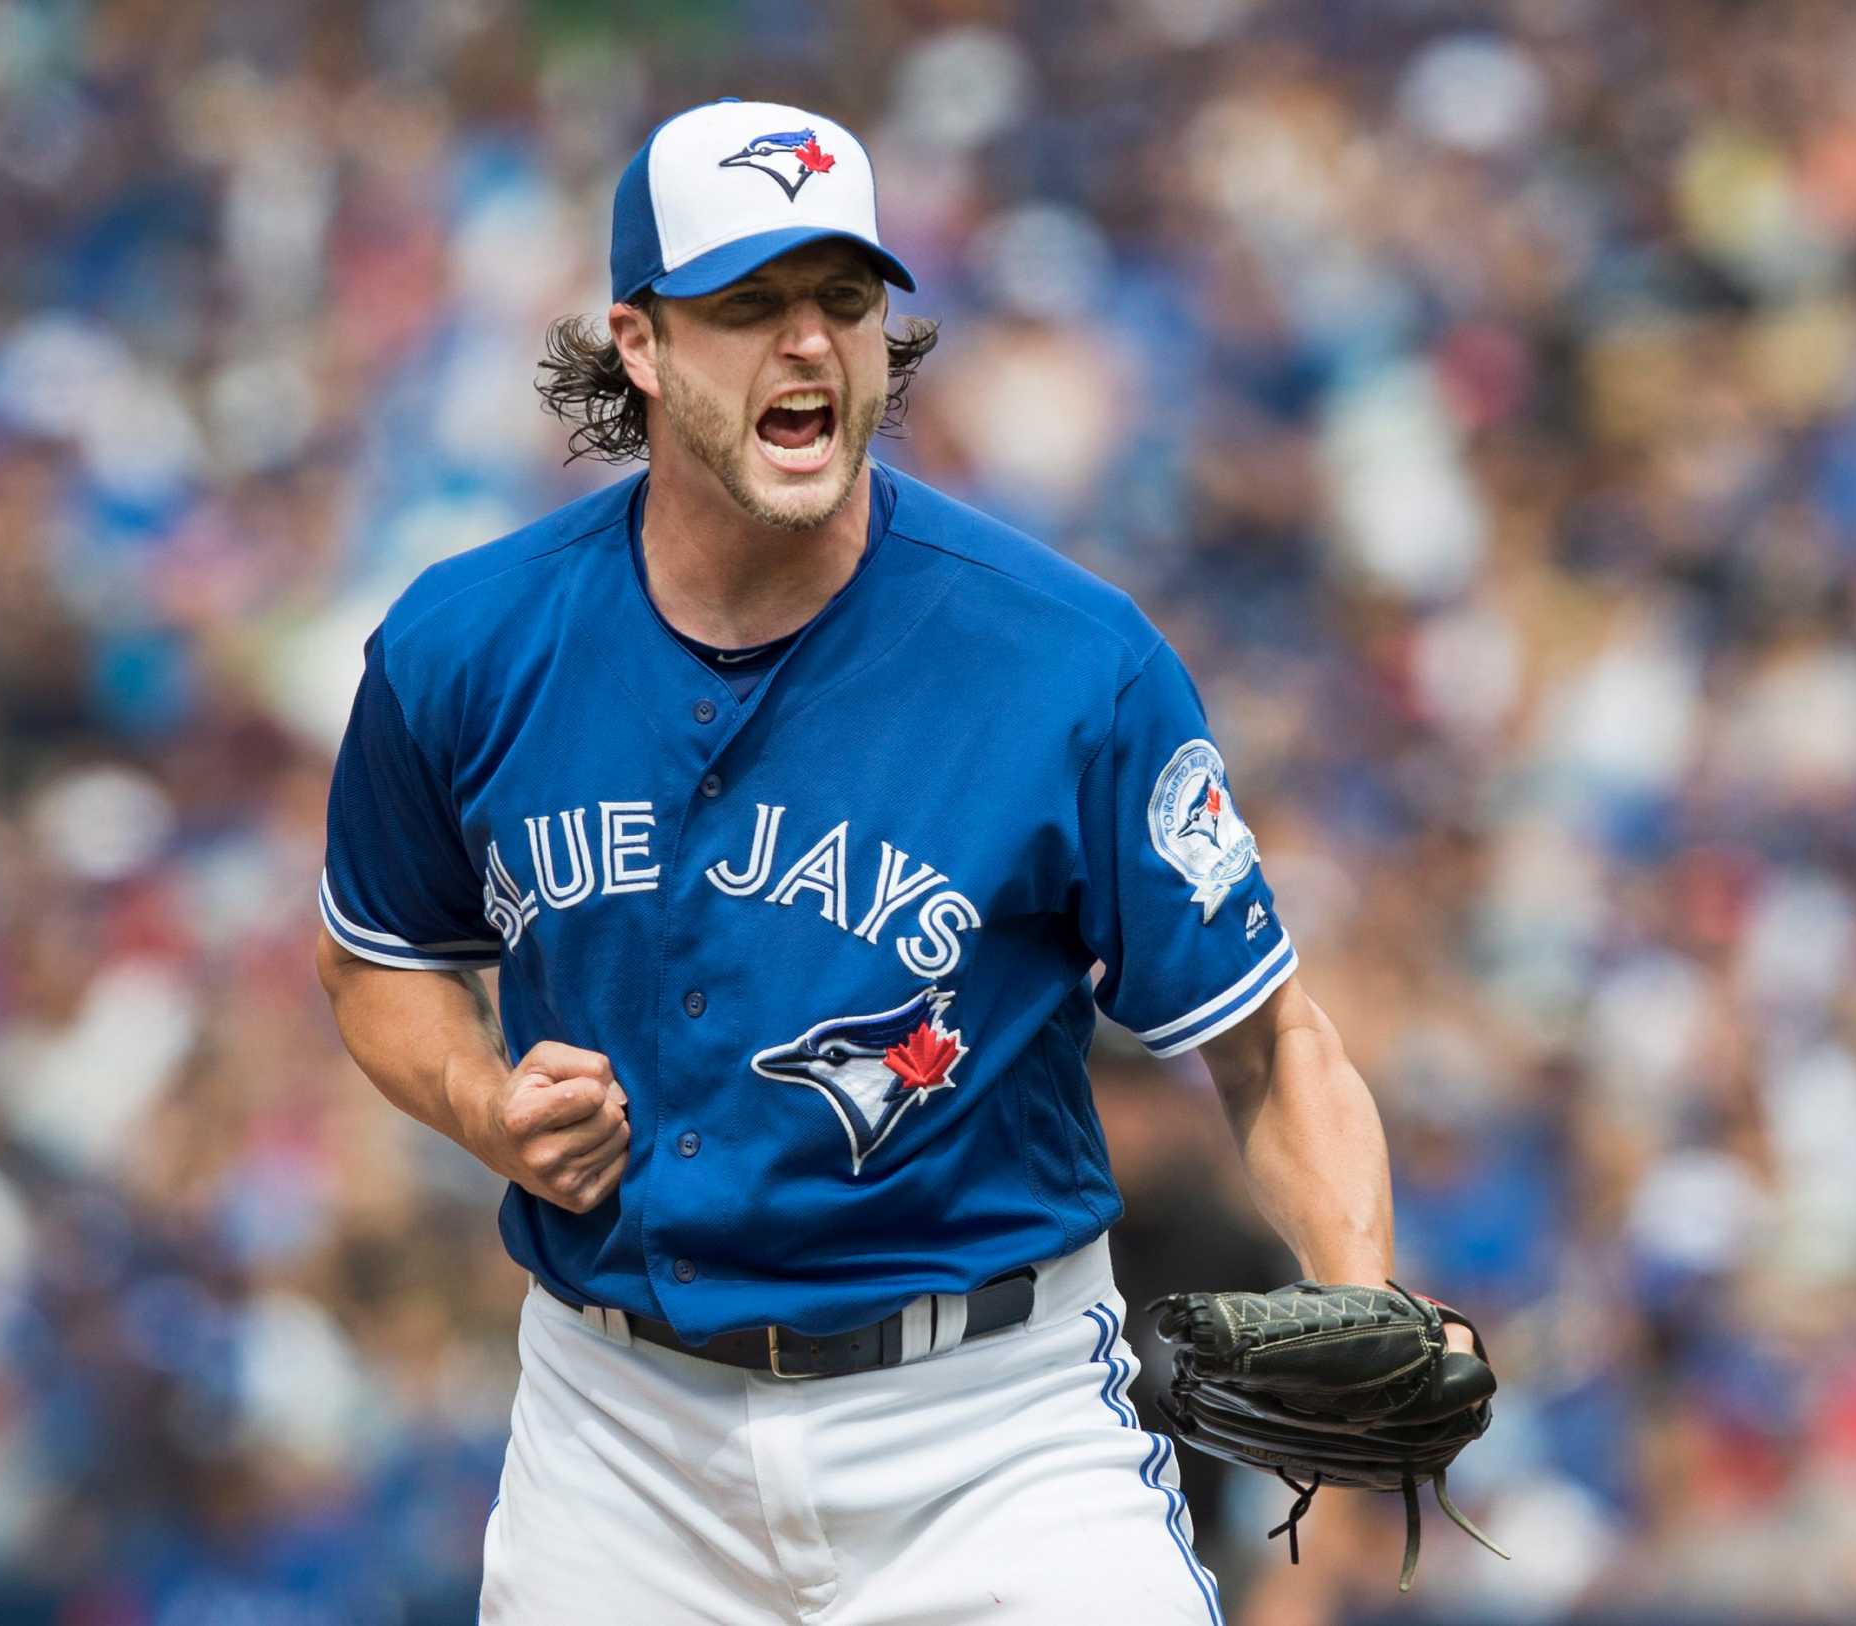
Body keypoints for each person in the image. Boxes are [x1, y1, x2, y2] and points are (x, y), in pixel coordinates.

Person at [315, 96, 1469, 1625]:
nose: (808, 345)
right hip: (621, 1438)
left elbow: (1268, 1045)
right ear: (641, 344)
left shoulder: (1067, 664)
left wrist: (1359, 1283)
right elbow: (379, 958)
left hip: (991, 1433)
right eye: (749, 306)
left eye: (843, 301)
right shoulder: (466, 646)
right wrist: (481, 1104)